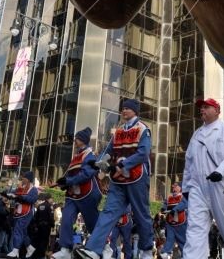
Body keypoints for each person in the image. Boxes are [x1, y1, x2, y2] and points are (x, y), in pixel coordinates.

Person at [77, 99, 155, 259]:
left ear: (135, 111)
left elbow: (143, 153)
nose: (124, 111)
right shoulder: (118, 132)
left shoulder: (143, 129)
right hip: (118, 180)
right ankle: (93, 249)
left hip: (137, 177)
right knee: (108, 212)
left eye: (127, 108)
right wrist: (99, 163)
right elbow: (108, 151)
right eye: (123, 108)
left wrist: (123, 164)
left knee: (141, 214)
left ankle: (147, 250)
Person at [181, 98, 224, 258]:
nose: (202, 110)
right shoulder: (196, 135)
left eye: (206, 107)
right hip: (198, 188)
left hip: (221, 186)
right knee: (195, 229)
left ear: (217, 110)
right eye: (201, 108)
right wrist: (186, 188)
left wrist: (221, 171)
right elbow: (189, 162)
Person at [54, 126, 102, 259]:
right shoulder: (77, 156)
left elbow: (87, 174)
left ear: (83, 140)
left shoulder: (90, 155)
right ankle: (65, 249)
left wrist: (68, 181)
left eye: (77, 138)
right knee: (66, 219)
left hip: (88, 194)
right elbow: (70, 175)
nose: (74, 140)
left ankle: (105, 247)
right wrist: (62, 183)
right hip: (73, 195)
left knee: (93, 225)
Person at [7, 171, 40, 258]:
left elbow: (33, 199)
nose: (22, 179)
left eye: (24, 178)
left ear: (28, 179)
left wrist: (21, 197)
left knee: (18, 230)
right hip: (19, 211)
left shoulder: (33, 189)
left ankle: (15, 250)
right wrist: (11, 193)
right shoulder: (22, 187)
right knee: (23, 232)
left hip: (26, 212)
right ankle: (29, 247)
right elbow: (14, 194)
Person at [160, 182, 187, 259]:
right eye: (173, 187)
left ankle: (185, 255)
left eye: (175, 186)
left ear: (180, 188)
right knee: (169, 238)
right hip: (170, 222)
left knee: (182, 240)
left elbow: (184, 204)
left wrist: (175, 209)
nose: (173, 188)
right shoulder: (169, 196)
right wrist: (163, 208)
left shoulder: (183, 196)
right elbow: (165, 203)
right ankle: (165, 252)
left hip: (181, 222)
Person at [30, 193, 55, 258]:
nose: (52, 200)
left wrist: (36, 226)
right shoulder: (50, 206)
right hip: (46, 227)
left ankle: (35, 255)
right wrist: (53, 225)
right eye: (51, 198)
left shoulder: (40, 205)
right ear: (49, 199)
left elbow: (36, 217)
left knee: (38, 241)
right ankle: (41, 256)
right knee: (44, 242)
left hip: (39, 226)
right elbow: (51, 217)